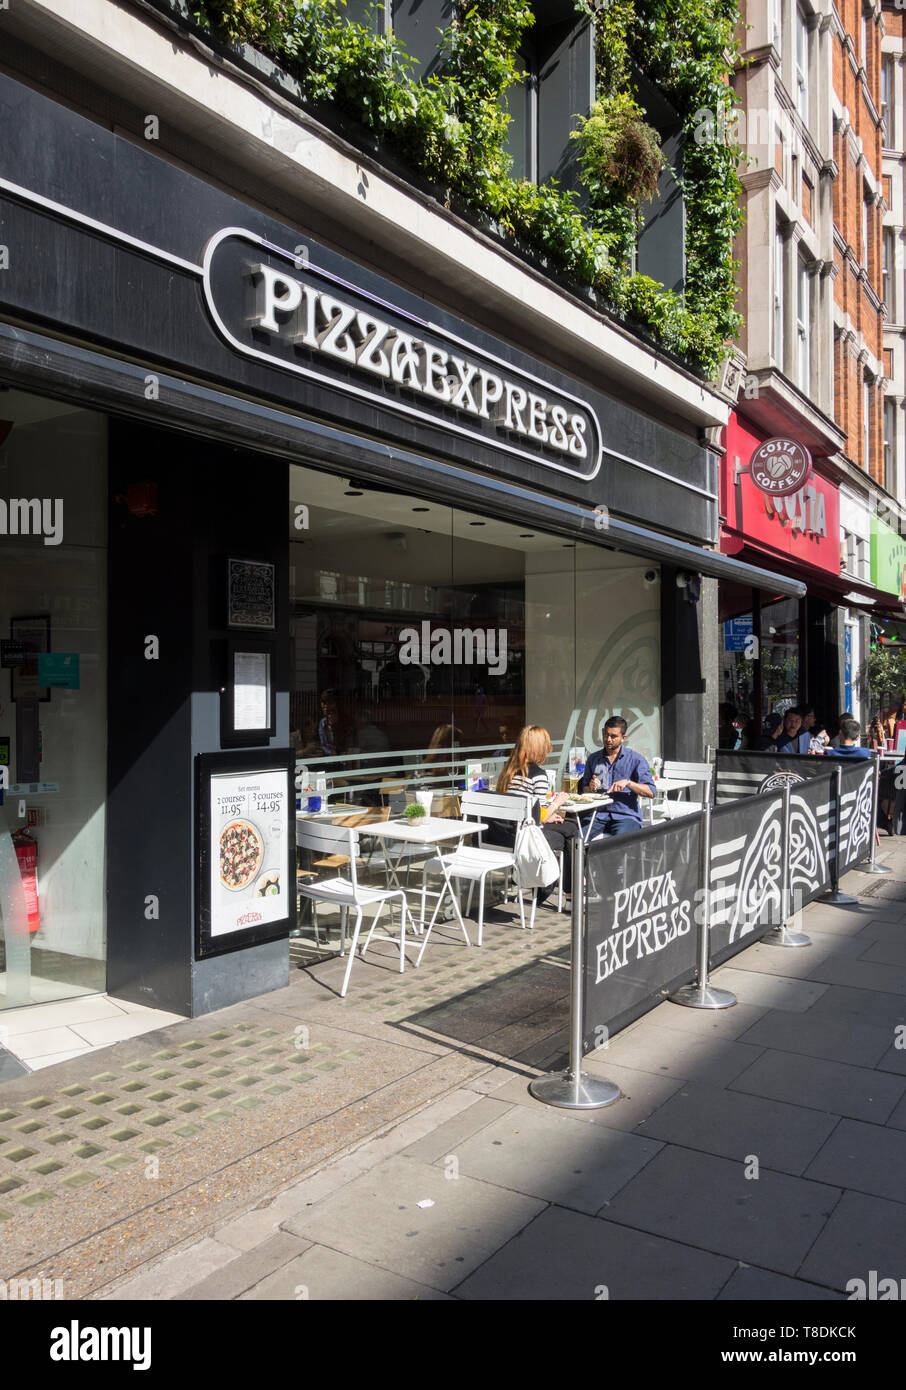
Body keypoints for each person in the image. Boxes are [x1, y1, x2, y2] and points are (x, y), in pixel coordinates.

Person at [490, 724, 576, 902]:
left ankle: (555, 884)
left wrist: (548, 814)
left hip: (504, 834)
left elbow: (533, 811)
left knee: (566, 829)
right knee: (571, 831)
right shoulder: (538, 775)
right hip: (525, 838)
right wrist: (557, 802)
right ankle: (562, 889)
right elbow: (540, 816)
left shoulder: (509, 771)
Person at [578, 715, 655, 837]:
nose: (608, 739)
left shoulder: (636, 760)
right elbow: (584, 790)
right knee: (577, 838)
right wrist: (592, 787)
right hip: (598, 814)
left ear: (623, 737)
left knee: (617, 844)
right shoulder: (593, 759)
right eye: (606, 735)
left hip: (626, 816)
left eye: (613, 736)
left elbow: (651, 792)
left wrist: (628, 783)